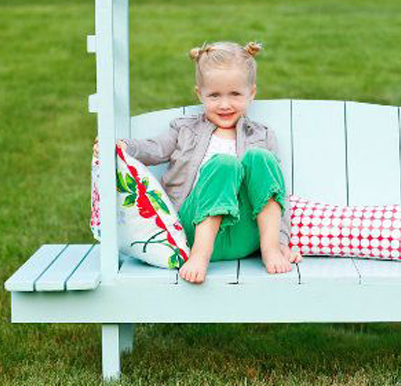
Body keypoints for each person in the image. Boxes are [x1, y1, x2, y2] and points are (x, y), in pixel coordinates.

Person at [93, 41, 302, 284]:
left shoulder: (262, 135)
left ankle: (270, 249)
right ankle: (199, 257)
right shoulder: (184, 129)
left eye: (235, 94)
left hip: (245, 234)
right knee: (224, 164)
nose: (225, 104)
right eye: (214, 95)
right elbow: (154, 148)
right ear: (199, 94)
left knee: (261, 159)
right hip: (194, 229)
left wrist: (282, 241)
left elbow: (274, 193)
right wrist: (124, 147)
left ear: (251, 93)